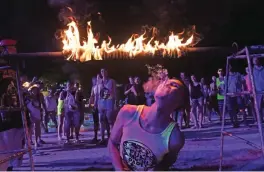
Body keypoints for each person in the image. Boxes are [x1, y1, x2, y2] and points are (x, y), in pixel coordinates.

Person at [108, 78, 185, 171]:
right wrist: (119, 169)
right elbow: (112, 143)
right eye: (165, 82)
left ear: (179, 102)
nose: (166, 84)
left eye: (174, 85)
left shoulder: (175, 137)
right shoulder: (128, 112)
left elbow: (168, 162)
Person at [98, 68, 116, 144]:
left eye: (105, 71)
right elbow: (97, 94)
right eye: (102, 71)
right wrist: (96, 103)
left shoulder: (111, 81)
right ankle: (102, 138)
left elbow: (114, 92)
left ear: (107, 72)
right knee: (101, 121)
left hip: (109, 103)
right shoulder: (99, 82)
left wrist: (115, 103)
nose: (103, 73)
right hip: (101, 104)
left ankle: (112, 138)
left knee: (110, 121)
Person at [88, 74, 101, 143]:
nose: (94, 81)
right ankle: (95, 136)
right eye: (93, 81)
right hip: (95, 106)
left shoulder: (101, 86)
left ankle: (103, 137)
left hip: (101, 105)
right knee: (95, 121)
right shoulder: (94, 87)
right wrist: (90, 104)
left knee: (102, 121)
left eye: (95, 80)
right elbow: (91, 96)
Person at [252, 57, 264, 123]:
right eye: (254, 60)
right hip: (257, 91)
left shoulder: (263, 69)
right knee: (258, 107)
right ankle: (260, 120)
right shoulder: (252, 70)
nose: (255, 61)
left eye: (256, 59)